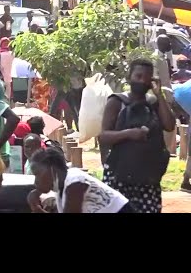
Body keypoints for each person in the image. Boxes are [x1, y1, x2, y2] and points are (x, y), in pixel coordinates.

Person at [100, 58, 175, 213]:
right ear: (129, 77)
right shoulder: (117, 101)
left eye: (147, 78)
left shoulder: (154, 103)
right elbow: (103, 136)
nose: (142, 81)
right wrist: (128, 134)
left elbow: (169, 125)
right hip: (119, 175)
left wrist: (159, 94)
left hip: (148, 178)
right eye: (138, 76)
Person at [28, 148, 133, 213]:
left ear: (52, 169)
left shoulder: (75, 183)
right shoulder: (62, 191)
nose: (35, 181)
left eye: (37, 174)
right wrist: (37, 209)